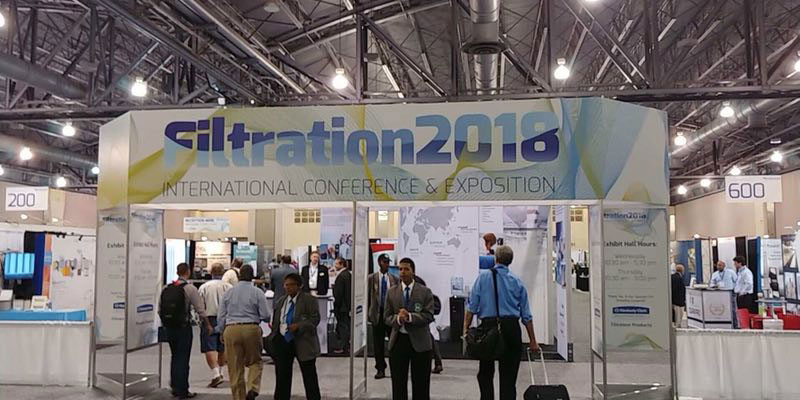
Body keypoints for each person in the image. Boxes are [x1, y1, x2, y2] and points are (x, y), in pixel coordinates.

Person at [464, 245, 539, 400]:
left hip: (488, 328)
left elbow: (472, 308)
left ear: (495, 258)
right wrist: (533, 341)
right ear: (510, 261)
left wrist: (465, 330)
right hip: (511, 329)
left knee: (485, 374)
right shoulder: (517, 281)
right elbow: (526, 316)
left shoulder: (482, 278)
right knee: (509, 378)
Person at [217, 264, 270, 400]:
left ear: (239, 276)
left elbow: (221, 316)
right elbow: (266, 315)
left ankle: (239, 397)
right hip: (251, 328)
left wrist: (221, 330)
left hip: (231, 329)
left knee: (235, 367)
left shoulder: (229, 292)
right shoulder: (258, 292)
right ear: (252, 276)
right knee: (255, 361)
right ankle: (253, 387)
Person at [385, 258, 435, 400]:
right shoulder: (391, 292)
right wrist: (398, 319)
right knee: (398, 385)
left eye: (406, 269)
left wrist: (410, 317)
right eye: (400, 269)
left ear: (413, 271)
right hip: (398, 342)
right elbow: (387, 317)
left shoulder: (425, 292)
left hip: (420, 344)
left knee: (421, 385)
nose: (402, 272)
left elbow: (429, 315)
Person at [161, 263, 213, 399]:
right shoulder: (190, 288)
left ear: (177, 272)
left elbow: (160, 309)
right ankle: (183, 390)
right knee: (183, 358)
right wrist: (207, 325)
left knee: (175, 356)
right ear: (188, 272)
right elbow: (200, 309)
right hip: (183, 328)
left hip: (170, 328)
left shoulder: (166, 287)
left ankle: (174, 387)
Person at [269, 273, 321, 400]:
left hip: (303, 342)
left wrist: (299, 326)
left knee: (309, 376)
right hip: (283, 342)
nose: (288, 287)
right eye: (286, 285)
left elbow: (315, 319)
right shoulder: (281, 301)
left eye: (291, 285)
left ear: (299, 286)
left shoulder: (309, 300)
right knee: (282, 376)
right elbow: (276, 320)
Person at [198, 263, 233, 387]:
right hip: (226, 319)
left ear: (211, 272)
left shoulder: (204, 287)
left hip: (209, 319)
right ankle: (221, 372)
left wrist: (201, 320)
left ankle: (216, 374)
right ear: (223, 272)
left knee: (209, 347)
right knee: (223, 346)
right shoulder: (229, 287)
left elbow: (200, 306)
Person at [368, 253, 399, 379]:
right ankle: (380, 368)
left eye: (388, 262)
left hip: (390, 315)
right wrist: (369, 313)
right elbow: (368, 296)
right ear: (379, 263)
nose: (387, 265)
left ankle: (395, 368)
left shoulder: (394, 279)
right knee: (378, 343)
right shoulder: (371, 278)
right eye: (385, 262)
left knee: (393, 342)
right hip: (377, 314)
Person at [412, 274, 443, 374]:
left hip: (421, 316)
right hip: (425, 316)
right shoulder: (419, 282)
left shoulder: (415, 283)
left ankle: (436, 363)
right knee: (431, 338)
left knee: (430, 339)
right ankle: (438, 363)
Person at [332, 257, 352, 354]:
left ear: (341, 264)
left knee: (342, 327)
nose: (334, 266)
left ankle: (343, 347)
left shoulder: (341, 276)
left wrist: (337, 305)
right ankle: (346, 346)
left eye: (336, 264)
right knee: (346, 326)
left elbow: (339, 294)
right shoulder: (348, 274)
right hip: (346, 306)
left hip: (342, 307)